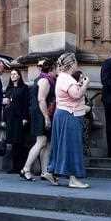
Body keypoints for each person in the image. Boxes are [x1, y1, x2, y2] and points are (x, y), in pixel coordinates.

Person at [45, 53, 90, 188]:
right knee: (72, 146)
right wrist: (85, 84)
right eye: (76, 62)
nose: (77, 65)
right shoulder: (66, 78)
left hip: (63, 114)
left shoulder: (63, 78)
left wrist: (79, 85)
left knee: (60, 145)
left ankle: (52, 172)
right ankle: (73, 179)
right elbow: (76, 95)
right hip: (69, 116)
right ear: (71, 64)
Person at [21, 59, 56, 181]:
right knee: (41, 142)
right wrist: (46, 117)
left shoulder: (46, 79)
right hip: (41, 114)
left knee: (46, 143)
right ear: (52, 69)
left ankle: (44, 171)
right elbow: (41, 99)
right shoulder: (45, 80)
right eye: (56, 69)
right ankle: (25, 169)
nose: (57, 72)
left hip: (42, 113)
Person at [3, 68, 29, 174]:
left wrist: (25, 118)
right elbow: (5, 106)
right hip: (10, 119)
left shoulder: (24, 88)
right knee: (13, 143)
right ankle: (14, 167)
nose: (13, 75)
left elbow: (26, 104)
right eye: (11, 74)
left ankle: (21, 166)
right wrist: (3, 119)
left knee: (20, 142)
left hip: (20, 119)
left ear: (19, 76)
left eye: (15, 74)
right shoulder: (8, 89)